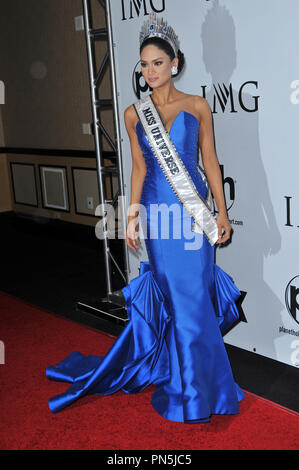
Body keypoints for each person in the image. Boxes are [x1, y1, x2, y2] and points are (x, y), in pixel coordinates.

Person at [46, 12, 245, 423]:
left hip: (193, 218)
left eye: (158, 62)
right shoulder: (135, 114)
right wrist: (131, 216)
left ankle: (202, 388)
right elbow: (137, 168)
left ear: (175, 62)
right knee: (177, 300)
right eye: (144, 64)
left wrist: (221, 212)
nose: (150, 71)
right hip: (158, 216)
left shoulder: (198, 105)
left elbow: (210, 161)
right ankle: (192, 392)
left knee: (196, 301)